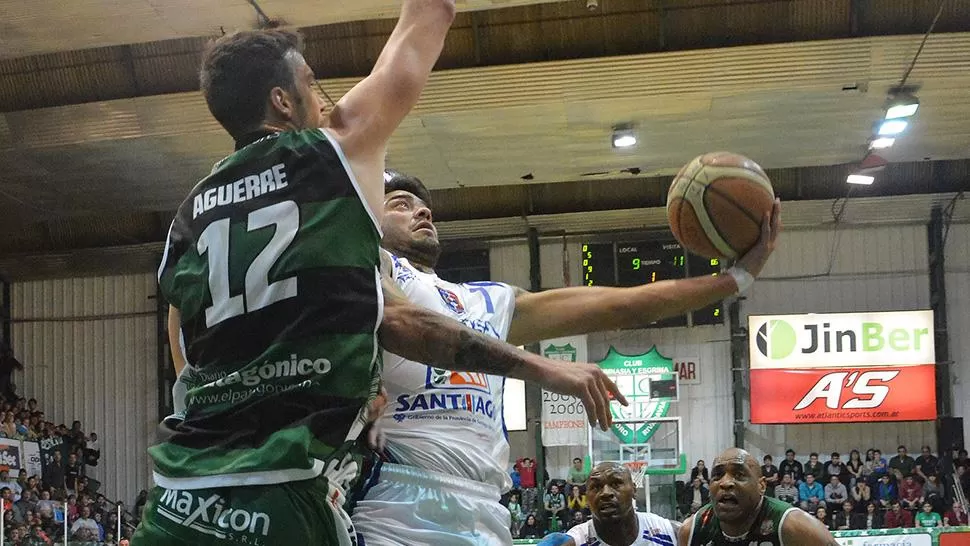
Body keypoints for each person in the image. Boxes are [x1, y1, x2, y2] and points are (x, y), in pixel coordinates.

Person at [139, 3, 627, 544]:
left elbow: (185, 348)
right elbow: (423, 28)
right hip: (285, 489)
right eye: (312, 83)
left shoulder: (189, 216)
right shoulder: (332, 154)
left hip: (179, 497)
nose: (324, 100)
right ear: (282, 100)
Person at [352, 171, 782, 544]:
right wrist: (546, 369)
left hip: (485, 507)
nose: (422, 212)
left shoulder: (488, 300)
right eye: (401, 205)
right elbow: (413, 327)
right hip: (401, 499)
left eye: (424, 206)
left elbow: (622, 305)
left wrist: (733, 279)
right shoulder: (371, 268)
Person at [679, 448, 837, 546]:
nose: (725, 483)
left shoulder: (796, 527)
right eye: (718, 475)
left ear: (761, 486)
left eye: (739, 475)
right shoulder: (692, 529)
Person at [560, 462, 681, 546]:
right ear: (586, 497)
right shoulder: (574, 541)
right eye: (596, 487)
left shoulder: (670, 533)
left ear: (634, 490)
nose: (606, 493)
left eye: (616, 484)